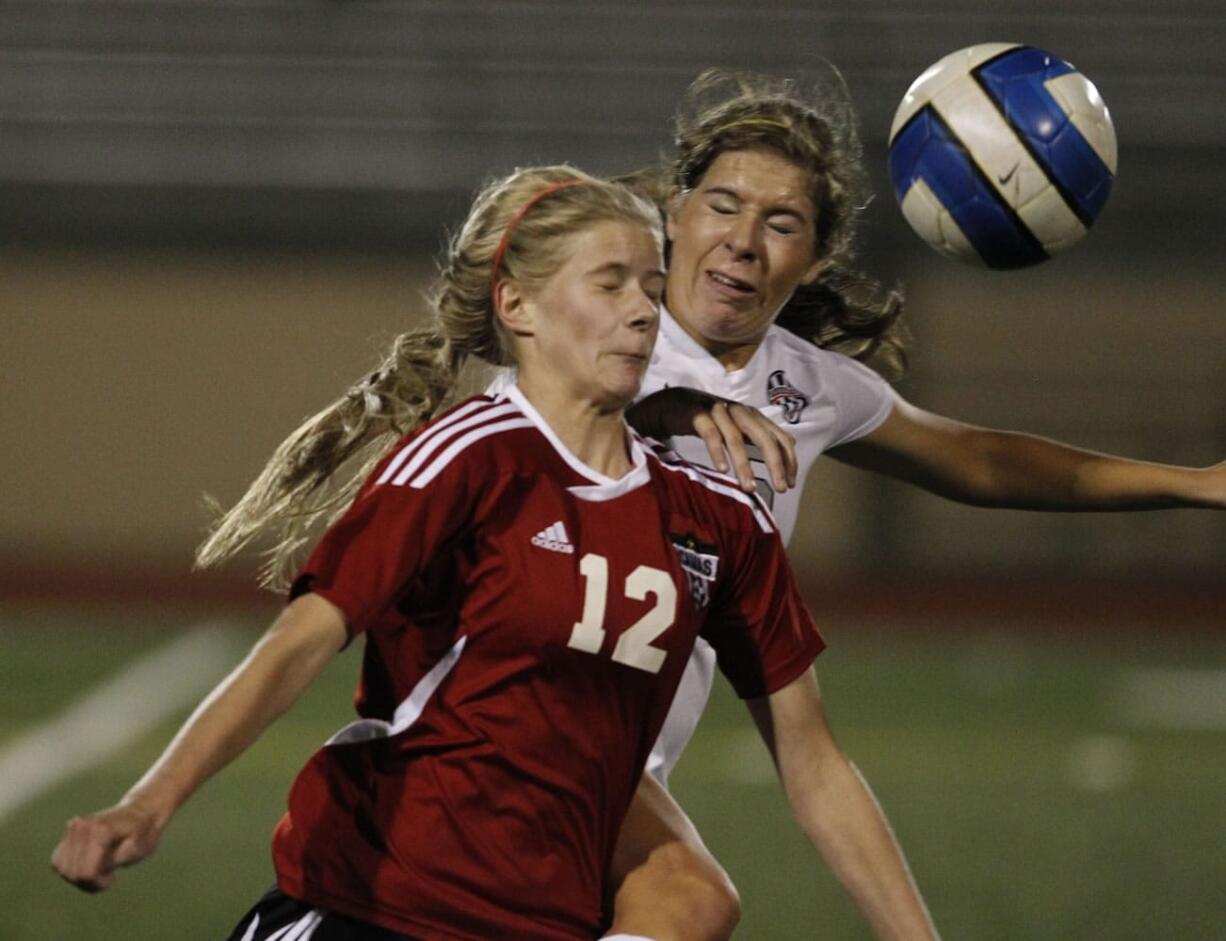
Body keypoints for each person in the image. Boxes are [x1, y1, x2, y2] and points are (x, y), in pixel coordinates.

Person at [50, 165, 937, 941]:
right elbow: (299, 643)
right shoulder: (469, 458)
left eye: (652, 284)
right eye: (611, 282)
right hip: (373, 906)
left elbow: (814, 759)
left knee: (697, 900)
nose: (642, 308)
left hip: (536, 922)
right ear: (518, 306)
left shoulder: (717, 520)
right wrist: (151, 800)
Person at [598, 67, 1226, 940]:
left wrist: (1196, 483)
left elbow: (982, 460)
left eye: (780, 223)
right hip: (507, 724)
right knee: (686, 904)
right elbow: (535, 407)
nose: (743, 239)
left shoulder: (806, 389)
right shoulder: (595, 318)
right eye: (722, 204)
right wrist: (665, 408)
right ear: (674, 210)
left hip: (628, 769)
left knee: (684, 905)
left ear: (814, 257)